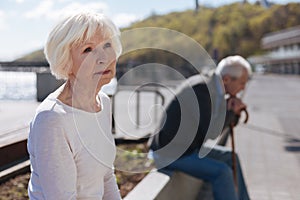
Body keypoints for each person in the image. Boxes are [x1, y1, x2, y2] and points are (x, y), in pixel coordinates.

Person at [27, 11, 122, 199]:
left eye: (107, 45)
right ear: (66, 62)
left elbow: (106, 177)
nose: (104, 58)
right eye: (88, 49)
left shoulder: (103, 102)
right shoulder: (52, 119)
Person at [150, 55, 252, 200]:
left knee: (231, 157)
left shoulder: (213, 87)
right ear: (227, 79)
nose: (243, 88)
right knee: (222, 172)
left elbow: (220, 124)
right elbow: (211, 132)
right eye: (242, 83)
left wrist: (232, 113)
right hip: (170, 153)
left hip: (188, 148)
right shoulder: (202, 90)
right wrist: (231, 112)